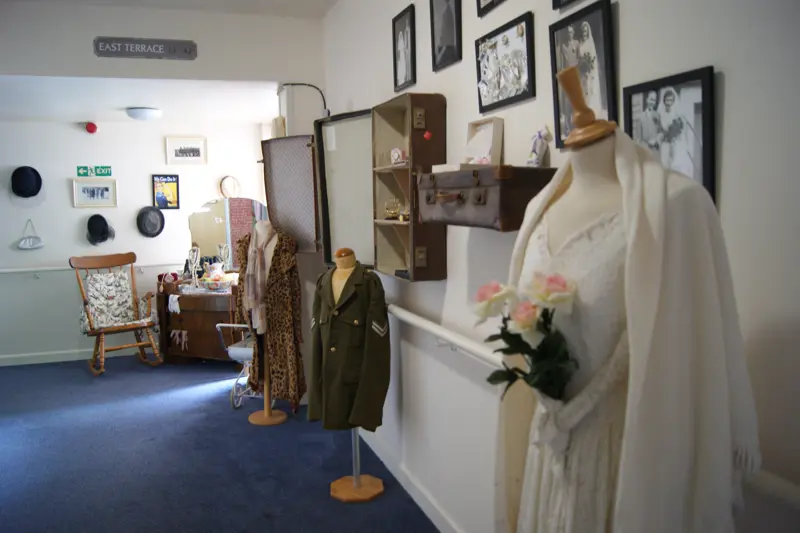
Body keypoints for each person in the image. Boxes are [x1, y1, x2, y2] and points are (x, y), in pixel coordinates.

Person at [658, 87, 694, 177]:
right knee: (665, 164)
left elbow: (681, 129)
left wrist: (674, 135)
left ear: (673, 101)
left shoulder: (676, 114)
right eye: (667, 100)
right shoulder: (660, 114)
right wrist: (665, 135)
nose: (669, 103)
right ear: (664, 101)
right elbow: (660, 130)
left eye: (671, 100)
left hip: (674, 142)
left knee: (674, 164)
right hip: (665, 143)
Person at [578, 21, 603, 115]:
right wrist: (582, 64)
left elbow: (593, 57)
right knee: (584, 92)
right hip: (583, 71)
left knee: (590, 90)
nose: (584, 33)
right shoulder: (580, 43)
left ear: (588, 32)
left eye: (585, 31)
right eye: (583, 31)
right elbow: (579, 58)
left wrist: (590, 68)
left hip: (590, 71)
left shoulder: (590, 43)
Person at [559, 25, 581, 136]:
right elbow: (562, 62)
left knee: (576, 102)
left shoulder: (576, 43)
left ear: (573, 33)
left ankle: (576, 126)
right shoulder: (563, 46)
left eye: (571, 32)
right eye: (568, 32)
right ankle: (568, 127)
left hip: (575, 76)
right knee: (567, 103)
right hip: (566, 77)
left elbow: (579, 58)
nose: (569, 34)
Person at [435, 0, 458, 67]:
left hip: (447, 46)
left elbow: (446, 30)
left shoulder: (447, 11)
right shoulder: (447, 10)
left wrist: (443, 46)